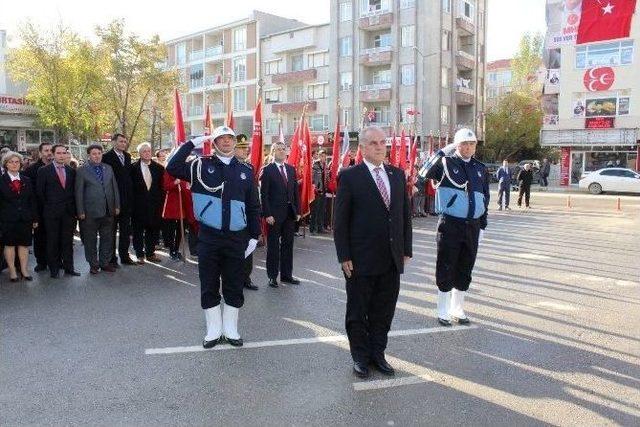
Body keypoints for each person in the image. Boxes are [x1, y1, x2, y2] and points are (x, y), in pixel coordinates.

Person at [167, 126, 261, 348]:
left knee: (234, 283)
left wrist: (254, 235)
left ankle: (230, 329)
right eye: (221, 138)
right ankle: (213, 330)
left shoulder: (246, 169)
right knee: (209, 283)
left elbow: (253, 205)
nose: (227, 142)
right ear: (214, 142)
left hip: (237, 237)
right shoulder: (200, 165)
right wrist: (192, 143)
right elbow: (172, 167)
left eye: (230, 138)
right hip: (209, 236)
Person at [333, 126, 412, 379]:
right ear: (363, 148)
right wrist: (344, 255)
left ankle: (378, 354)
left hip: (390, 257)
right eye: (374, 143)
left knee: (383, 310)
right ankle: (360, 357)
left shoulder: (397, 175)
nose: (380, 147)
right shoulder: (350, 176)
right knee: (358, 311)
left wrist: (406, 249)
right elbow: (340, 221)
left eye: (383, 142)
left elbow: (404, 216)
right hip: (359, 259)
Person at [418, 128, 489, 327]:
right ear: (456, 145)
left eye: (471, 143)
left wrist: (482, 225)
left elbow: (485, 198)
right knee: (446, 265)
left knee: (465, 267)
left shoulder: (480, 168)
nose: (468, 147)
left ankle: (457, 308)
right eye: (463, 144)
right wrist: (442, 151)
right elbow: (423, 172)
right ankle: (443, 309)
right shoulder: (445, 163)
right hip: (451, 224)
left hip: (472, 226)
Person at [260, 142, 301, 288]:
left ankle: (286, 275)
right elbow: (263, 195)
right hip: (274, 216)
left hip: (290, 214)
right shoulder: (268, 170)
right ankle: (272, 276)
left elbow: (295, 191)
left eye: (284, 149)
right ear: (273, 152)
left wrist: (298, 211)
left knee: (288, 245)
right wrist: (267, 214)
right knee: (273, 247)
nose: (282, 152)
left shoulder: (291, 169)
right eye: (279, 149)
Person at [36, 144, 80, 278]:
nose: (62, 155)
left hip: (68, 213)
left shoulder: (71, 171)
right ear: (53, 155)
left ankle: (69, 268)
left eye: (64, 153)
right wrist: (49, 207)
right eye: (59, 153)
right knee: (52, 241)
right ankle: (54, 269)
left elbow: (73, 192)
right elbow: (40, 193)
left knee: (67, 241)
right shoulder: (44, 171)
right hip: (51, 212)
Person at [75, 144, 120, 274]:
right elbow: (78, 192)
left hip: (108, 210)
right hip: (89, 213)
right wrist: (80, 211)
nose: (97, 156)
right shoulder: (82, 170)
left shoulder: (108, 168)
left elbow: (114, 188)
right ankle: (93, 265)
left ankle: (104, 263)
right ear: (89, 155)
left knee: (108, 238)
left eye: (99, 153)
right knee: (90, 240)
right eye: (94, 154)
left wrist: (116, 205)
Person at [0, 152, 39, 281]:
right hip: (7, 219)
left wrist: (34, 218)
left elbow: (32, 201)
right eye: (11, 162)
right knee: (9, 245)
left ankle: (24, 270)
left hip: (25, 218)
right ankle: (12, 271)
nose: (14, 164)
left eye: (17, 162)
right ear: (6, 164)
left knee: (24, 245)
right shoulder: (1, 181)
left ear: (21, 164)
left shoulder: (26, 180)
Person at [102, 133, 137, 267]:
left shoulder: (127, 156)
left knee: (125, 230)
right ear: (114, 142)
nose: (123, 144)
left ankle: (125, 256)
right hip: (113, 200)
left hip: (127, 200)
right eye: (121, 141)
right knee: (111, 231)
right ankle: (111, 258)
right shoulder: (106, 157)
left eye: (125, 142)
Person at [131, 142, 165, 264]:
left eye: (148, 151)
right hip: (138, 206)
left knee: (153, 229)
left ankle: (150, 253)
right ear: (139, 153)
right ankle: (139, 254)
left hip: (154, 205)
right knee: (138, 231)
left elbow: (162, 188)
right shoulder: (133, 168)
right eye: (144, 151)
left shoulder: (159, 168)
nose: (147, 153)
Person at [23, 142, 53, 272]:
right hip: (39, 210)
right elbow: (29, 194)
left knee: (54, 236)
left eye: (51, 150)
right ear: (40, 153)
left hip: (55, 209)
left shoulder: (59, 167)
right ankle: (41, 262)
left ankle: (56, 260)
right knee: (40, 237)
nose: (49, 153)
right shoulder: (31, 170)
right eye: (46, 151)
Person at [234, 135, 259, 290]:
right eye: (241, 148)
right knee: (234, 249)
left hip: (247, 214)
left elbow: (253, 195)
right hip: (234, 214)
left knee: (247, 248)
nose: (245, 150)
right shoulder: (228, 167)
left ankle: (246, 278)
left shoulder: (249, 168)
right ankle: (234, 278)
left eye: (246, 148)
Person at [161, 168, 196, 261]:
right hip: (172, 206)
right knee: (171, 231)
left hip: (183, 205)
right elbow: (165, 186)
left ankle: (176, 249)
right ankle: (172, 250)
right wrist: (175, 183)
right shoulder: (169, 171)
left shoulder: (185, 172)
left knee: (181, 230)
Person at [310, 150, 327, 234]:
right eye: (322, 156)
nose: (324, 158)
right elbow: (312, 178)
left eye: (325, 156)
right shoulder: (315, 165)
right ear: (319, 156)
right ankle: (313, 228)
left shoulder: (325, 165)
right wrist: (315, 187)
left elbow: (326, 177)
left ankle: (320, 228)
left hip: (323, 190)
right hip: (317, 191)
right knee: (315, 210)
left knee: (321, 210)